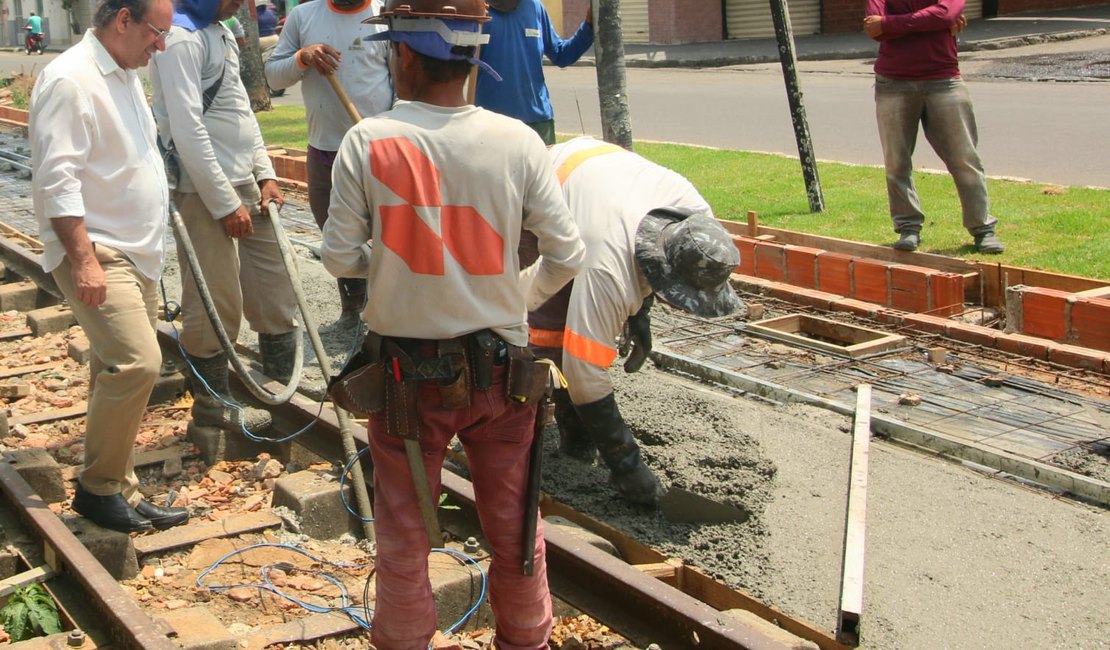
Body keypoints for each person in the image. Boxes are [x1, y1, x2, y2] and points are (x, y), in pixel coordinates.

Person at [321, 0, 585, 644]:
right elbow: (567, 253)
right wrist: (513, 299)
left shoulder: (369, 141)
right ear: (472, 59)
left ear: (406, 56)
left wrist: (393, 266)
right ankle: (527, 636)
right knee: (517, 529)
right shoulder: (517, 141)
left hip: (405, 379)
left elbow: (338, 257)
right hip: (504, 375)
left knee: (405, 537)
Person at [29, 0, 189, 534]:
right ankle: (97, 490)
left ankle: (121, 485)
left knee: (111, 368)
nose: (160, 45)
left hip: (136, 251)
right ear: (124, 20)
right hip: (100, 250)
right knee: (138, 364)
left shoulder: (121, 72)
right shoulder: (71, 79)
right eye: (156, 32)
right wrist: (84, 262)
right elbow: (59, 178)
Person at [526, 136, 743, 507]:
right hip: (545, 186)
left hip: (601, 173)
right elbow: (583, 370)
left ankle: (579, 440)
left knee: (580, 326)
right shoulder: (606, 266)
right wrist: (626, 464)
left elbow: (646, 257)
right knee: (550, 332)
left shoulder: (695, 218)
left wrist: (639, 313)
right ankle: (569, 441)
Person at [150, 0, 299, 435]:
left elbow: (239, 109)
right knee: (213, 298)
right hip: (202, 189)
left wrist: (265, 172)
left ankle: (279, 386)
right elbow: (186, 127)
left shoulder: (219, 29)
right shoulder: (179, 38)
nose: (242, 2)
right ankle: (212, 403)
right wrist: (223, 202)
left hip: (244, 182)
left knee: (277, 285)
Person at [265, 0, 393, 325]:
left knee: (387, 234)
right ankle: (352, 310)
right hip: (325, 151)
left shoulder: (384, 15)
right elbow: (273, 77)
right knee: (334, 234)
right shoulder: (303, 16)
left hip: (376, 152)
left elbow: (403, 84)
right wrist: (302, 57)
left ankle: (387, 311)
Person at [864, 0, 1004, 254]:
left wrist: (891, 23)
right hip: (893, 82)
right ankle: (908, 228)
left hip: (944, 80)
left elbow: (945, 13)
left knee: (964, 158)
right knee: (897, 162)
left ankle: (982, 229)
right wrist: (933, 23)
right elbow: (875, 29)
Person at [475, 0, 592, 145]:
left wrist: (589, 26)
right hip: (489, 123)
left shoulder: (534, 7)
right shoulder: (475, 9)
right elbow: (456, 60)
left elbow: (561, 55)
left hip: (537, 123)